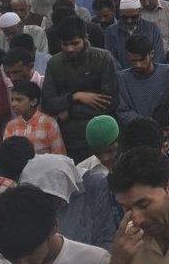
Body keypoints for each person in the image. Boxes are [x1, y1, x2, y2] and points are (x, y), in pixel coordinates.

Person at [41, 17, 118, 162]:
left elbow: (109, 103)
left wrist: (69, 111)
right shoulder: (54, 63)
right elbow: (48, 104)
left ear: (85, 38)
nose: (70, 49)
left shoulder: (103, 59)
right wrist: (75, 97)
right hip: (67, 139)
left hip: (101, 136)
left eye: (75, 43)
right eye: (65, 44)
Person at [115, 34, 169, 124]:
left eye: (142, 60)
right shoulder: (122, 78)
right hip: (138, 131)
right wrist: (147, 125)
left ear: (151, 54)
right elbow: (123, 111)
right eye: (133, 61)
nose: (138, 65)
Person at [3, 80, 65, 155]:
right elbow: (6, 155)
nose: (13, 104)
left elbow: (59, 155)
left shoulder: (49, 123)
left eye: (19, 100)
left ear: (33, 102)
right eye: (12, 100)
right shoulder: (11, 126)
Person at [103, 0, 166, 69]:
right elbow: (111, 58)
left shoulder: (152, 28)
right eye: (125, 17)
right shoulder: (111, 31)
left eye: (133, 17)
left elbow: (159, 55)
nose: (129, 20)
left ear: (140, 11)